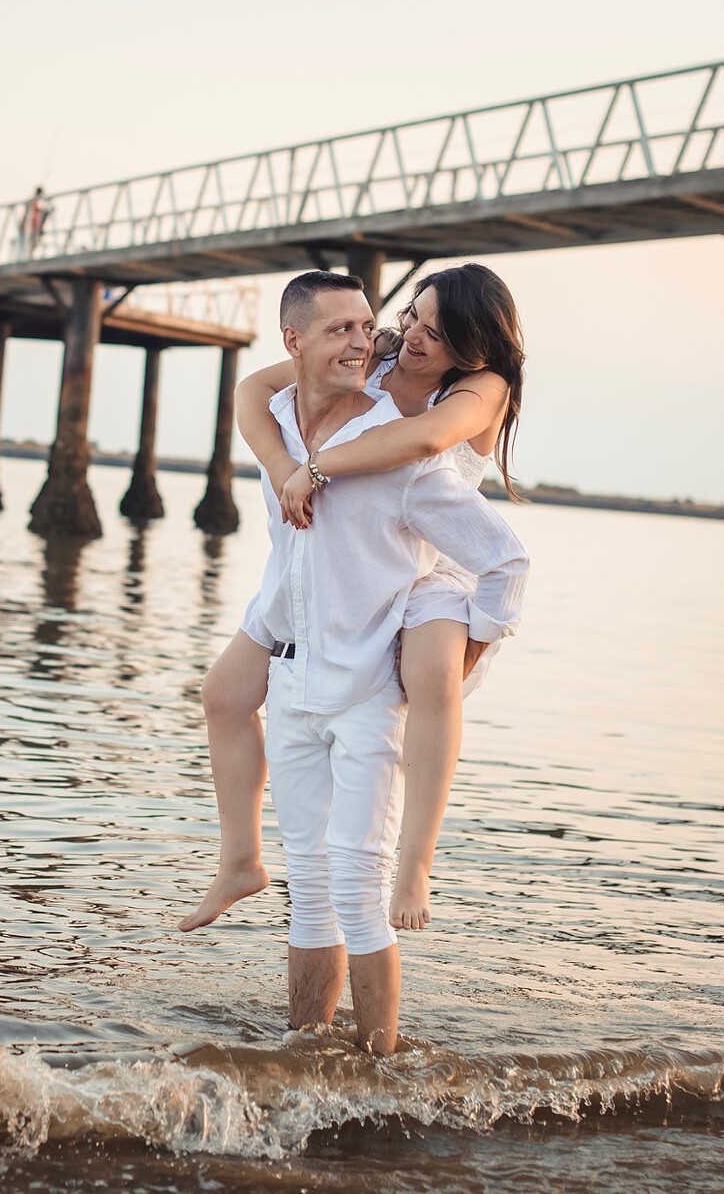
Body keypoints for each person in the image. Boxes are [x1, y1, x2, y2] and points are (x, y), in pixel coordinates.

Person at [215, 269, 529, 1054]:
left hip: (434, 574)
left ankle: (415, 866)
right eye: (410, 317)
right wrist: (288, 464)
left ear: (474, 348)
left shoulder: (479, 390)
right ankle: (300, 1050)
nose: (409, 337)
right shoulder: (370, 359)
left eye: (438, 333)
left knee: (430, 683)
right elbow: (258, 389)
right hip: (331, 610)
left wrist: (477, 638)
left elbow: (423, 445)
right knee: (227, 698)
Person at [17, 187, 48, 259]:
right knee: (28, 244)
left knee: (34, 242)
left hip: (34, 229)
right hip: (27, 229)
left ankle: (30, 256)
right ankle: (28, 256)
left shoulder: (38, 203)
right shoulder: (33, 201)